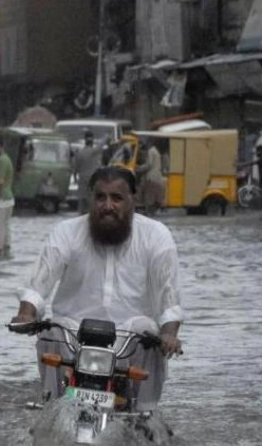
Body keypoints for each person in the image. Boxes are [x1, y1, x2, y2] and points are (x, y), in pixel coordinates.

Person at [9, 166, 184, 410]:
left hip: (129, 341)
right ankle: (51, 411)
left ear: (134, 199)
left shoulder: (157, 236)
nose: (108, 205)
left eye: (117, 198)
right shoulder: (66, 232)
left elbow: (169, 300)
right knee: (51, 329)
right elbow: (39, 283)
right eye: (100, 197)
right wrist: (26, 315)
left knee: (148, 331)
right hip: (74, 336)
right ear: (91, 198)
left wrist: (169, 335)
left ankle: (145, 415)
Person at [70, 130, 104, 213]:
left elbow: (75, 168)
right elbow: (101, 145)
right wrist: (107, 136)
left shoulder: (80, 153)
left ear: (85, 140)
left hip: (82, 180)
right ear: (92, 140)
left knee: (82, 202)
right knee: (93, 201)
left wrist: (75, 178)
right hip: (93, 180)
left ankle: (81, 217)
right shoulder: (95, 151)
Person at [236, 145, 262, 209]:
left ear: (261, 152)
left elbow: (251, 163)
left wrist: (239, 164)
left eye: (257, 151)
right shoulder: (261, 159)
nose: (256, 153)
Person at [136, 140, 166, 214]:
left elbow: (148, 164)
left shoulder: (150, 151)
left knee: (149, 196)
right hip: (157, 177)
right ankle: (152, 210)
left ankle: (148, 211)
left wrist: (138, 168)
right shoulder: (156, 151)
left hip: (151, 177)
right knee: (154, 195)